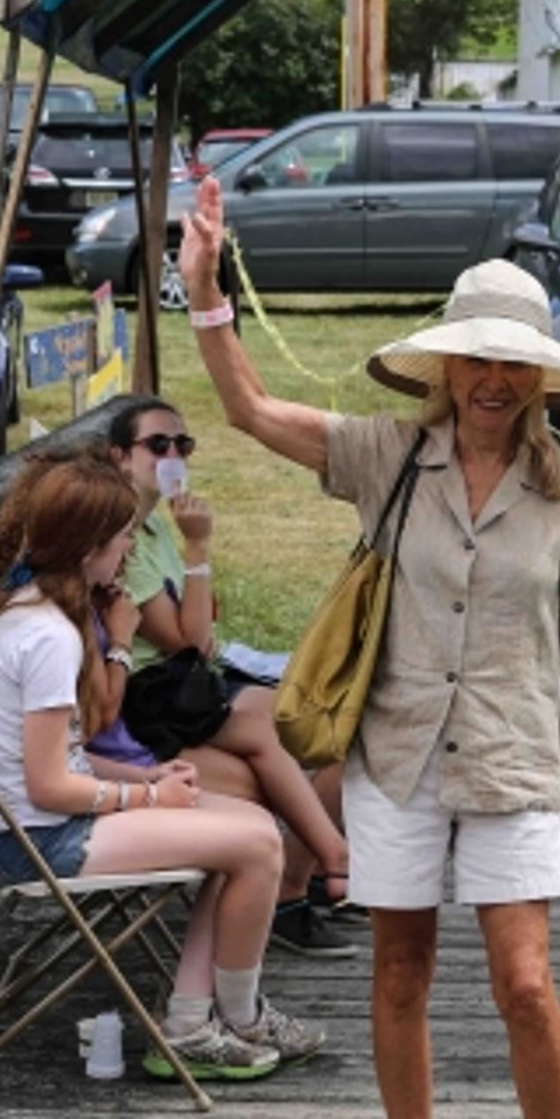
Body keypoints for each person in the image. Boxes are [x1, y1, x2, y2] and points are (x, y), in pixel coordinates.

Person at [181, 172, 560, 1119]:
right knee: (397, 973)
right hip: (395, 758)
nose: (488, 380)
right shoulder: (387, 456)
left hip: (516, 765)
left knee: (524, 982)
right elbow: (249, 412)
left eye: (509, 362)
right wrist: (206, 298)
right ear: (445, 365)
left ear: (536, 378)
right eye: (473, 358)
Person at [0, 453, 324, 1083]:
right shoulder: (48, 637)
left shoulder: (28, 609)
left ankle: (198, 1017)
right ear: (90, 545)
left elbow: (59, 755)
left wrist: (144, 779)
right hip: (40, 838)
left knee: (249, 827)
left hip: (32, 826)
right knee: (257, 844)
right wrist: (147, 803)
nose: (128, 549)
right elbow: (47, 785)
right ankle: (228, 1020)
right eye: (123, 537)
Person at [99, 396, 356, 960]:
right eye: (157, 445)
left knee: (322, 722)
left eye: (182, 444)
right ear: (120, 456)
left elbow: (202, 627)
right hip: (153, 698)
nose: (173, 456)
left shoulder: (154, 527)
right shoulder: (124, 538)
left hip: (183, 685)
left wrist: (191, 558)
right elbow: (188, 638)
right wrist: (199, 546)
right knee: (272, 734)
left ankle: (309, 875)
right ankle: (322, 867)